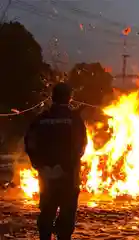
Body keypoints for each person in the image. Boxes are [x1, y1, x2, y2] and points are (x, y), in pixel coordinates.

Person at [24, 82, 87, 240]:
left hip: (46, 175)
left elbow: (30, 143)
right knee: (67, 214)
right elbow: (81, 147)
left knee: (47, 210)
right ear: (69, 98)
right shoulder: (75, 119)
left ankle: (45, 236)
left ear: (52, 97)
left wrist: (39, 165)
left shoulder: (41, 119)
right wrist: (68, 164)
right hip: (68, 175)